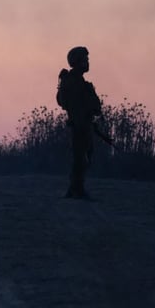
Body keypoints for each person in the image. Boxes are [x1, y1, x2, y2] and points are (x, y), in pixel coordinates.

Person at [56, 45, 105, 199]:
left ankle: (75, 188)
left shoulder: (81, 83)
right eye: (85, 59)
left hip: (84, 124)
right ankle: (76, 189)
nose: (87, 62)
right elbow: (67, 103)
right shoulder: (72, 81)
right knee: (80, 158)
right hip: (79, 125)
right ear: (78, 62)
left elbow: (95, 106)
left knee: (84, 156)